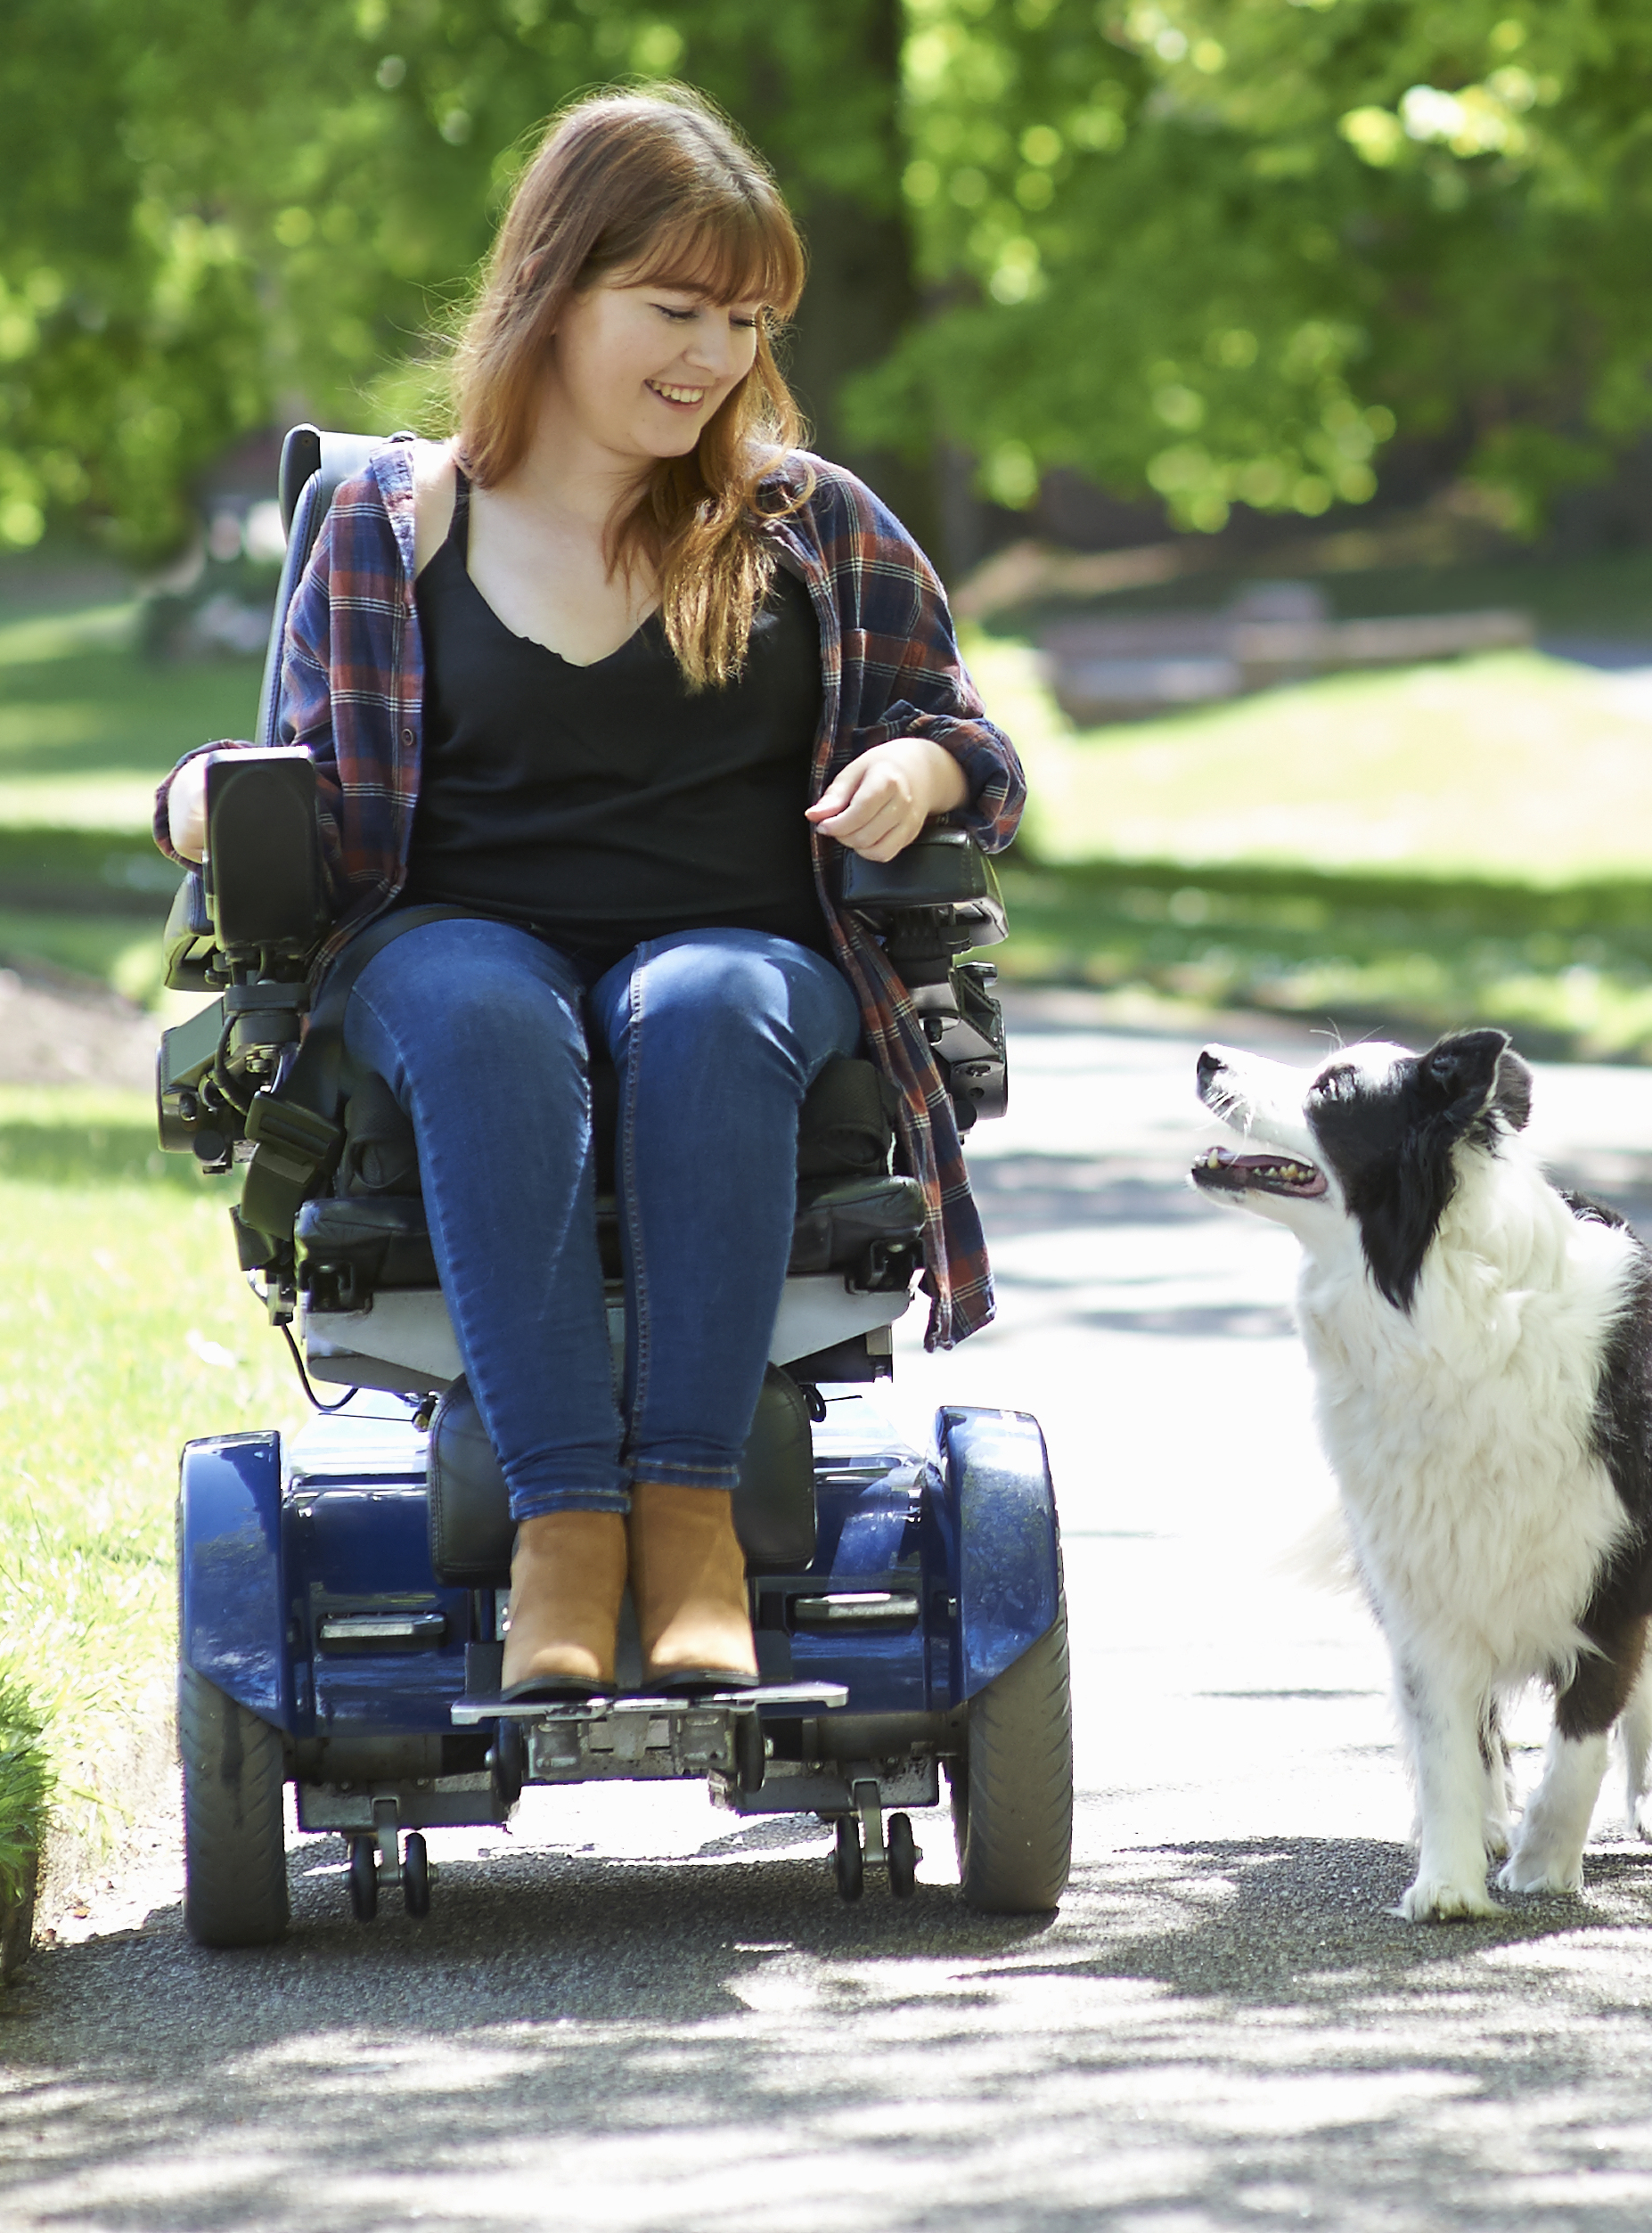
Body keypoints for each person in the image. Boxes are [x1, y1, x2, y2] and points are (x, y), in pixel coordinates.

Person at [154, 86, 1025, 1698]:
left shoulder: (809, 524)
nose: (710, 357)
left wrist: (928, 772)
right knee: (484, 1002)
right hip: (442, 952)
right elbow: (301, 781)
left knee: (704, 1000)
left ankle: (689, 1515)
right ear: (556, 286)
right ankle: (566, 1522)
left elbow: (969, 733)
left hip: (748, 956)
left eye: (745, 320)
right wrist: (195, 798)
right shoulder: (384, 522)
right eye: (673, 308)